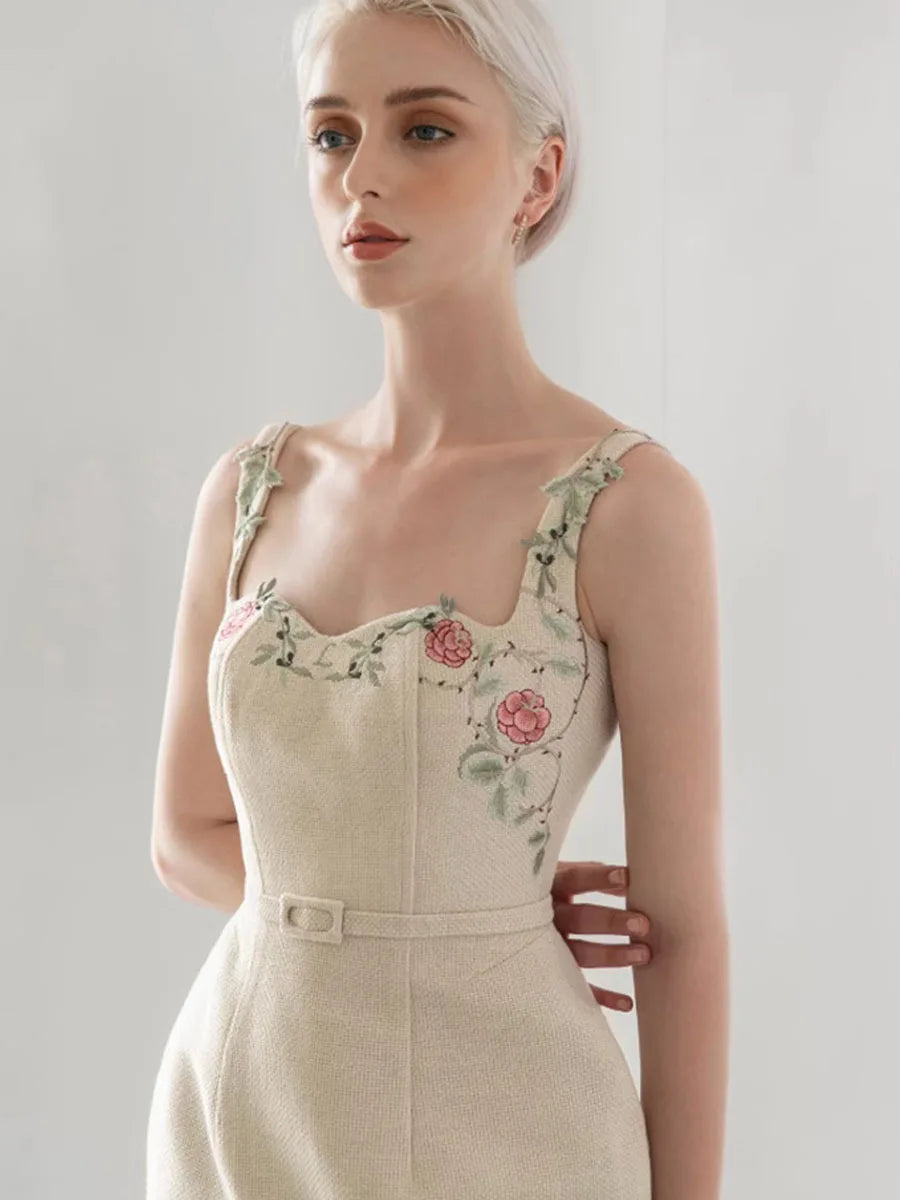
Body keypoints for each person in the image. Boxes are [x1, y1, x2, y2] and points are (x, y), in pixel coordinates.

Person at [147, 2, 728, 1198]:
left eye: (424, 130)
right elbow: (184, 836)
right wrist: (428, 898)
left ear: (538, 174)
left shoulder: (627, 505)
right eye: (332, 133)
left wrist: (468, 917)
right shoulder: (251, 490)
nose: (360, 176)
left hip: (512, 1129)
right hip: (240, 1113)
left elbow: (678, 938)